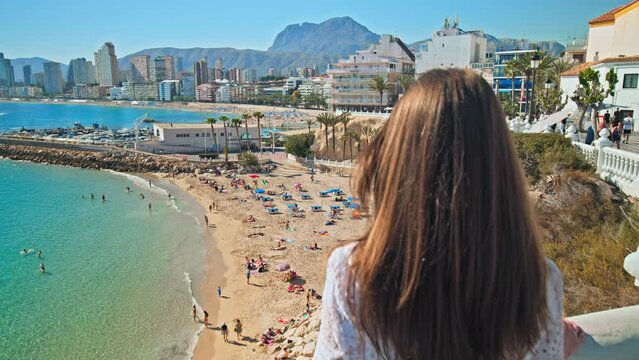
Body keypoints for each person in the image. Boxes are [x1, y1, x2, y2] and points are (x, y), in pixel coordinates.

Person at [315, 69, 585, 360]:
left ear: (398, 164)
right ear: (499, 167)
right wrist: (556, 344)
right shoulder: (538, 282)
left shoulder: (353, 276)